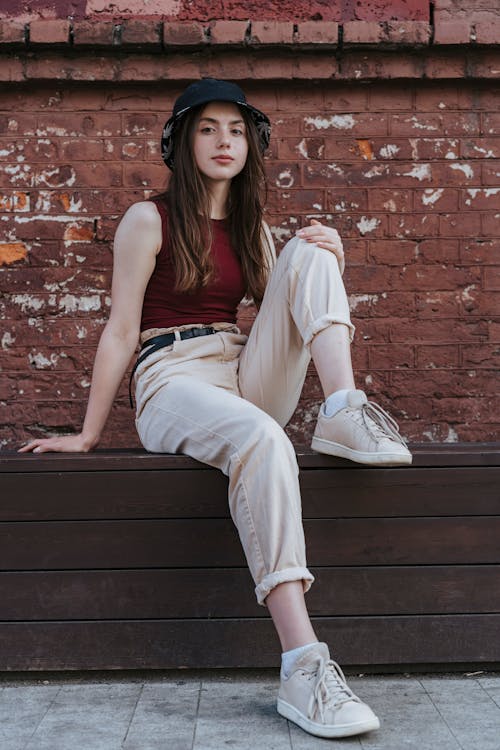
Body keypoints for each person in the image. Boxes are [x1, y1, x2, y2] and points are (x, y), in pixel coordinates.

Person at [20, 78, 412, 739]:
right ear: (183, 143)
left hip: (240, 369)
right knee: (266, 441)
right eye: (207, 128)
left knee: (310, 249)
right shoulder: (150, 219)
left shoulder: (252, 227)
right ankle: (304, 665)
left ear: (250, 146)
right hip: (173, 376)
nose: (224, 140)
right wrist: (87, 434)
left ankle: (345, 408)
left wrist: (329, 258)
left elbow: (287, 306)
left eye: (235, 129)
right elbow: (120, 328)